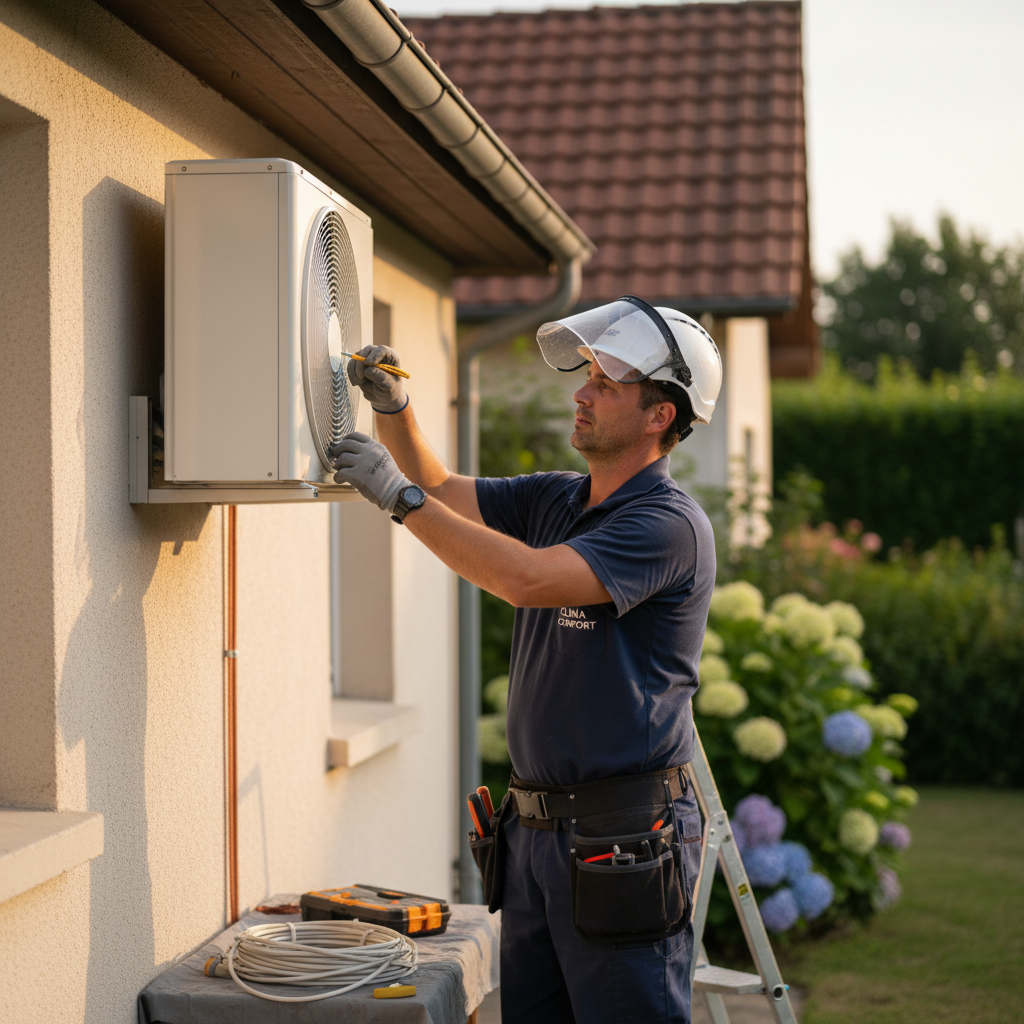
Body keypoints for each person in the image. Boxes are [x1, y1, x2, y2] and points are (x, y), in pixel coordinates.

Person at [332, 296, 723, 1024]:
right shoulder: (559, 499)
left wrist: (396, 497)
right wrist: (396, 408)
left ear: (659, 415)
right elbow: (444, 489)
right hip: (535, 833)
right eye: (588, 377)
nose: (580, 391)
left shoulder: (668, 526)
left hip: (621, 840)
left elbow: (528, 580)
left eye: (605, 384)